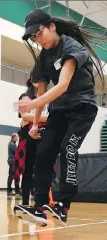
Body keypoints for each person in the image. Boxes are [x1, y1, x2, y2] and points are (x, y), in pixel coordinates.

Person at [14, 8, 104, 227]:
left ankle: (63, 205)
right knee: (44, 152)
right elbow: (42, 93)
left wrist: (32, 105)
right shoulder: (43, 58)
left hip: (82, 109)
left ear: (52, 27)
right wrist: (34, 122)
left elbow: (62, 85)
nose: (38, 39)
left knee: (68, 148)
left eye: (40, 33)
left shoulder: (73, 48)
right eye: (34, 37)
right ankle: (40, 207)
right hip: (59, 111)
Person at [14, 78, 48, 205]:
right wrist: (43, 118)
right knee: (27, 170)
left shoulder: (46, 98)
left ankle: (40, 201)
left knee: (41, 169)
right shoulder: (24, 97)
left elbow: (50, 117)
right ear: (32, 82)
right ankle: (24, 202)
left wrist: (33, 118)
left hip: (43, 135)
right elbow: (24, 116)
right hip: (28, 137)